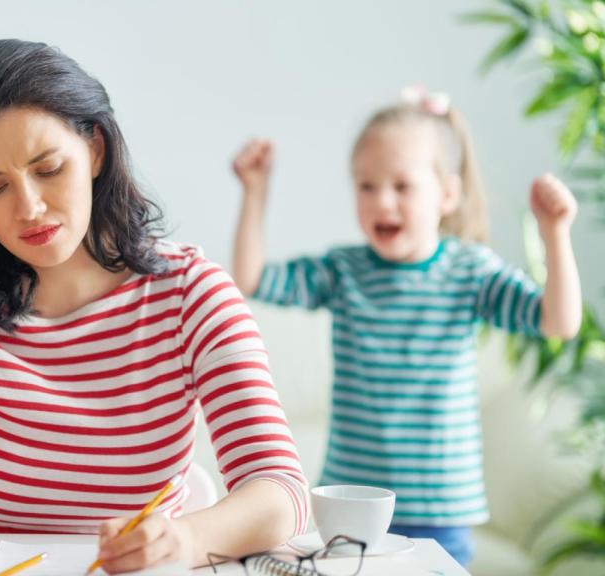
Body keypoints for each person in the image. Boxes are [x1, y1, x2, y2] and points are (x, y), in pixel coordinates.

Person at [0, 39, 308, 572]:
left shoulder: (190, 293)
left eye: (48, 169)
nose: (29, 208)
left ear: (95, 149)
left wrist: (183, 541)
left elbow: (282, 492)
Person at [230, 87, 583, 566]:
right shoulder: (344, 270)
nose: (383, 202)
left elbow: (558, 322)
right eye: (366, 186)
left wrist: (555, 234)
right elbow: (252, 279)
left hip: (441, 506)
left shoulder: (470, 271)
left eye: (402, 185)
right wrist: (255, 194)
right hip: (351, 502)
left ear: (447, 194)